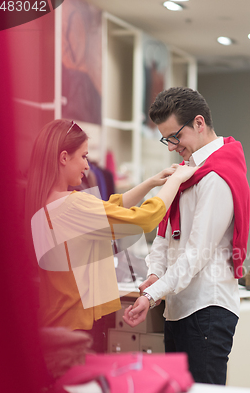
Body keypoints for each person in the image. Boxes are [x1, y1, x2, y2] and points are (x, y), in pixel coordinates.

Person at [25, 118, 195, 343]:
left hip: (56, 325)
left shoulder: (45, 203)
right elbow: (143, 220)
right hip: (78, 330)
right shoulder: (72, 205)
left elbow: (110, 207)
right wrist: (175, 181)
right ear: (64, 157)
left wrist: (151, 182)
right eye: (84, 156)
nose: (87, 166)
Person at [123, 87, 250, 385]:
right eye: (166, 139)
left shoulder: (217, 175)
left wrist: (152, 295)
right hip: (178, 307)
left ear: (199, 123)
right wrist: (155, 273)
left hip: (207, 307)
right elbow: (164, 236)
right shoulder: (188, 171)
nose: (170, 147)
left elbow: (196, 253)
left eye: (174, 137)